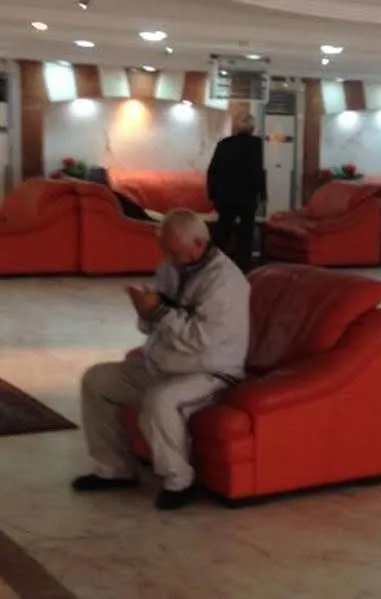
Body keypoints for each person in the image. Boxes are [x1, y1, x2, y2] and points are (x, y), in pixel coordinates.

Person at [71, 209, 251, 511]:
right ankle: (114, 470)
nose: (167, 257)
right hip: (163, 364)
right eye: (164, 249)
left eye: (174, 251)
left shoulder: (226, 283)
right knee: (97, 380)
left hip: (209, 372)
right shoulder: (172, 265)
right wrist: (145, 311)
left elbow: (199, 339)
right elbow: (154, 323)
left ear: (199, 244)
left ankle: (180, 481)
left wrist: (157, 311)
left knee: (160, 400)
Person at [207, 114, 266, 272]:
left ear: (237, 128)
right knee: (246, 231)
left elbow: (213, 170)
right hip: (247, 195)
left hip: (226, 195)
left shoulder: (224, 144)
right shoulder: (257, 144)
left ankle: (213, 262)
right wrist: (262, 194)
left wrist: (212, 194)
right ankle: (243, 266)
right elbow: (259, 171)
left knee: (223, 229)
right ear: (252, 129)